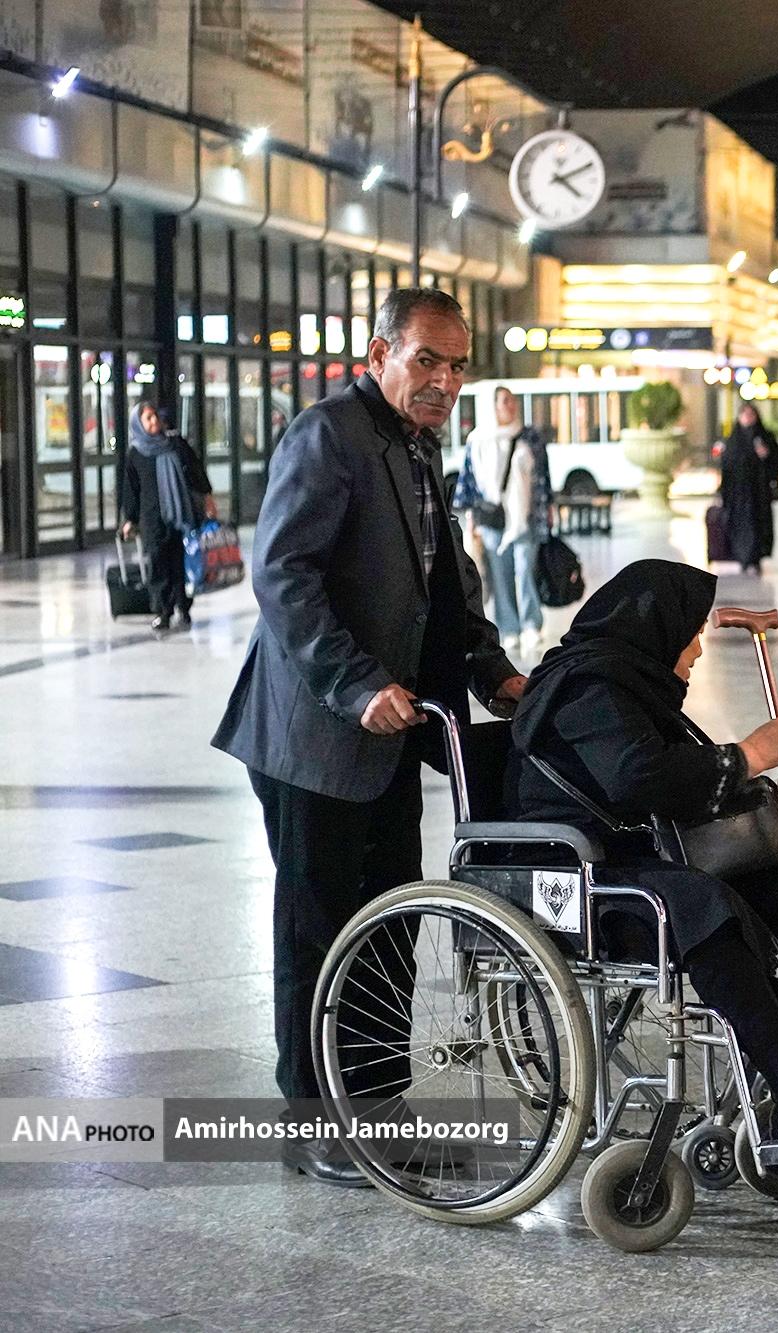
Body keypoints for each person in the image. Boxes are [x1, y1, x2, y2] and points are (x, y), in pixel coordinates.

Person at [212, 287, 526, 1187]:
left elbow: (447, 584)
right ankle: (313, 1120)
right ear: (379, 353)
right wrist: (356, 684)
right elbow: (284, 575)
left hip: (389, 736)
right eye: (428, 359)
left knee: (389, 924)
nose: (446, 380)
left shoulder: (418, 446)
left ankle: (380, 1110)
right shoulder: (328, 435)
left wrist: (493, 671)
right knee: (316, 929)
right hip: (315, 735)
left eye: (457, 365)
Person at [506, 560, 778, 1149]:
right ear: (656, 629)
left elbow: (676, 783)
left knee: (777, 886)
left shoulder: (628, 683)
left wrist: (765, 798)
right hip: (569, 880)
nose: (698, 650)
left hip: (628, 859)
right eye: (691, 635)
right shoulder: (587, 689)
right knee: (701, 902)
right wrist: (751, 754)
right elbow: (642, 778)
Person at [453, 386, 551, 652]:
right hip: (492, 519)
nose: (511, 405)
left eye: (512, 400)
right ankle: (509, 628)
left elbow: (543, 476)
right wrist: (472, 520)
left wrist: (548, 510)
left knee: (525, 571)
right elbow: (469, 482)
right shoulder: (478, 439)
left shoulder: (529, 437)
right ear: (492, 406)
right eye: (505, 401)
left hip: (526, 517)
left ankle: (531, 625)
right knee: (500, 575)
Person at [117, 402, 215, 634]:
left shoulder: (175, 444)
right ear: (138, 424)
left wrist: (207, 497)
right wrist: (129, 519)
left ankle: (183, 607)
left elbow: (196, 471)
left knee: (180, 562)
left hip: (181, 514)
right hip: (152, 518)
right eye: (148, 419)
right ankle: (163, 611)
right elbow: (131, 489)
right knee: (158, 564)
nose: (154, 422)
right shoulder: (136, 453)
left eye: (155, 417)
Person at [719, 405, 778, 576]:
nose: (747, 418)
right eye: (744, 414)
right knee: (739, 525)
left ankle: (755, 558)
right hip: (737, 493)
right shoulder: (732, 440)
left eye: (751, 414)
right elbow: (726, 466)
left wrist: (766, 455)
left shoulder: (765, 437)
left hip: (759, 492)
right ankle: (742, 557)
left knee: (758, 525)